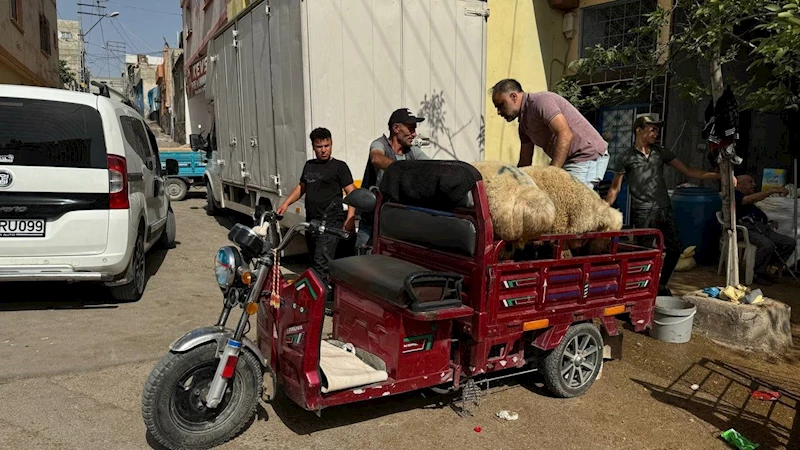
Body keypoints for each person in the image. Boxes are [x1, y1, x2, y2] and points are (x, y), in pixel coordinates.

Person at [606, 114, 723, 296]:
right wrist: (604, 211)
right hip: (643, 212)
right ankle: (639, 292)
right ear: (639, 130)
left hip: (664, 209)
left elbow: (689, 171)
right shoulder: (626, 157)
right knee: (643, 255)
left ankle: (660, 285)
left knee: (675, 249)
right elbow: (615, 188)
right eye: (652, 129)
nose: (656, 133)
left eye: (657, 129)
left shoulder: (661, 152)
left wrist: (719, 176)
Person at [490, 78, 610, 189]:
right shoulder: (523, 125)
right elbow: (525, 163)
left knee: (570, 205)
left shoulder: (541, 102)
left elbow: (565, 134)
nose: (499, 112)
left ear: (513, 97)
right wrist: (512, 183)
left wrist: (551, 175)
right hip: (570, 160)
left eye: (501, 105)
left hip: (586, 155)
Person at [276, 127, 357, 286]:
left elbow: (352, 193)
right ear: (313, 147)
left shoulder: (339, 167)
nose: (324, 150)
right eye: (320, 147)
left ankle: (320, 301)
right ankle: (326, 292)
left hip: (331, 223)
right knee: (314, 260)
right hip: (312, 222)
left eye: (327, 146)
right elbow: (301, 187)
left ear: (331, 144)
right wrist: (285, 203)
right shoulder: (309, 166)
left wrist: (350, 218)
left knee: (321, 264)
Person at [356, 108, 431, 249]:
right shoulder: (379, 144)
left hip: (398, 225)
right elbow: (376, 158)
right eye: (410, 128)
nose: (414, 134)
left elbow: (430, 167)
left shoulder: (412, 151)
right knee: (362, 263)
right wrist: (403, 170)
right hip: (371, 224)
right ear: (396, 128)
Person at [734, 174, 796, 286]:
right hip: (746, 229)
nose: (754, 185)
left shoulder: (751, 201)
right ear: (738, 184)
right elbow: (747, 200)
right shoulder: (735, 194)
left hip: (762, 227)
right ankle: (757, 273)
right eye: (750, 182)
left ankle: (771, 267)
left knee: (789, 242)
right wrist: (771, 191)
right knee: (767, 245)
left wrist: (768, 221)